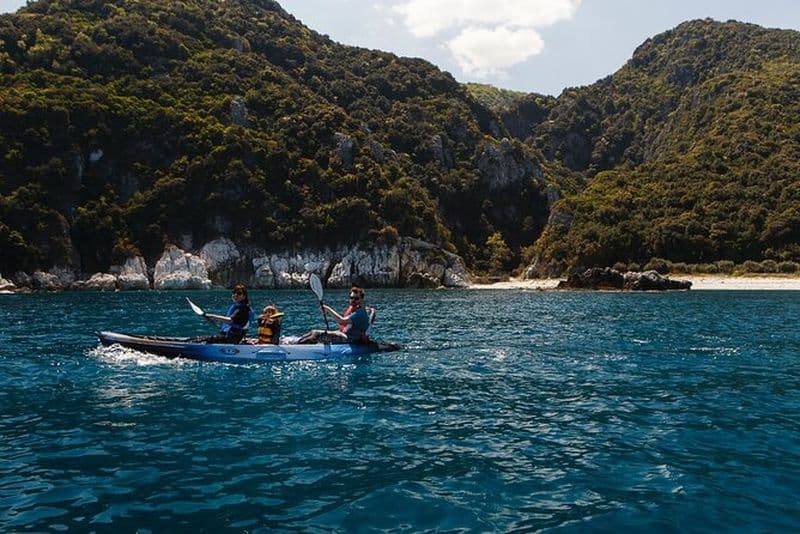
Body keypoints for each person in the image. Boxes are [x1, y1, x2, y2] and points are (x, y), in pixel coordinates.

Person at [299, 286, 375, 344]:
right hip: (344, 334)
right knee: (313, 331)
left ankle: (296, 347)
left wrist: (327, 309)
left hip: (350, 339)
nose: (353, 300)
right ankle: (296, 342)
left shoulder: (360, 313)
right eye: (351, 298)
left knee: (316, 334)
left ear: (361, 299)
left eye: (356, 298)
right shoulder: (356, 309)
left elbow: (341, 321)